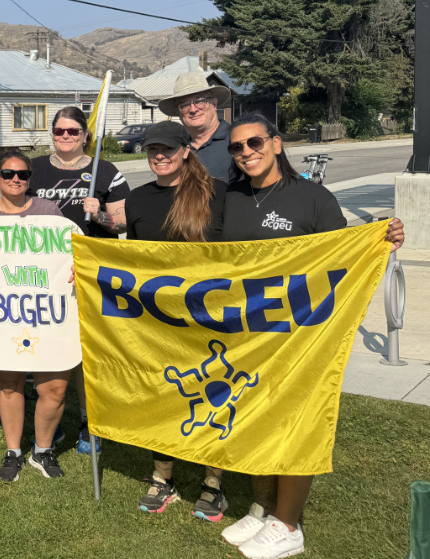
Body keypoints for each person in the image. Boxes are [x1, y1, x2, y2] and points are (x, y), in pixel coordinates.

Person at [217, 114, 404, 558]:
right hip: (249, 335)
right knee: (256, 421)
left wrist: (379, 238)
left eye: (254, 142)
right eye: (236, 147)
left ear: (276, 143)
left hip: (302, 337)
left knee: (296, 426)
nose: (246, 153)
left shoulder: (314, 198)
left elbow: (340, 259)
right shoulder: (231, 198)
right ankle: (263, 506)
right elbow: (213, 260)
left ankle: (288, 525)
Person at [122, 122, 230, 521]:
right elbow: (133, 262)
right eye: (153, 149)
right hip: (158, 321)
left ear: (186, 150)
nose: (159, 156)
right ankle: (162, 478)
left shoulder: (218, 193)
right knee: (163, 397)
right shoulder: (138, 199)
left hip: (209, 319)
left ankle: (213, 484)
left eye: (168, 149)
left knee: (214, 397)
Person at [0, 148, 68, 482]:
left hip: (47, 314)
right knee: (9, 384)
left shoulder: (49, 212)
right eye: (8, 173)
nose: (16, 179)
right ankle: (14, 451)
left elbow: (67, 254)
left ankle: (43, 451)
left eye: (23, 174)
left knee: (54, 388)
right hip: (5, 315)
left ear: (30, 179)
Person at [30, 106, 127, 455]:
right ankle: (50, 421)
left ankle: (90, 422)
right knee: (48, 351)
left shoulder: (107, 171)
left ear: (85, 135)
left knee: (88, 353)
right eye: (60, 131)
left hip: (90, 272)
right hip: (43, 274)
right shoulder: (34, 169)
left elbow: (122, 223)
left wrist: (99, 214)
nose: (66, 137)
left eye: (73, 131)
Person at [156, 70, 234, 182]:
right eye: (184, 105)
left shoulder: (237, 140)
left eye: (200, 101)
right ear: (178, 112)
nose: (193, 109)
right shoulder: (176, 148)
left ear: (214, 103)